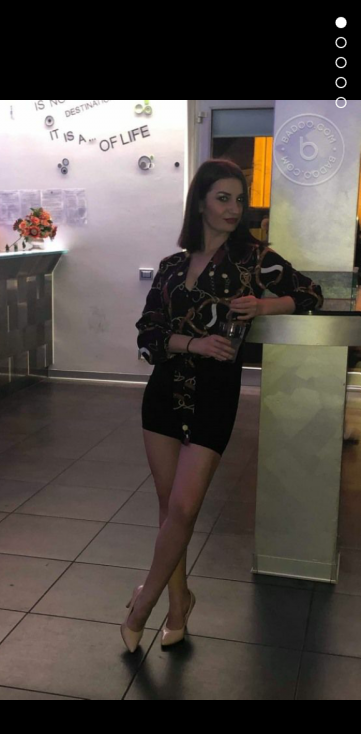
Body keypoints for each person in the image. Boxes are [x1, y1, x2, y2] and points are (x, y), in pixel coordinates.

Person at [122, 158, 324, 653]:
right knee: (169, 510)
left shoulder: (255, 258)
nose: (234, 208)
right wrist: (192, 343)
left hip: (214, 394)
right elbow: (147, 335)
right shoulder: (172, 266)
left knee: (184, 507)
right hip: (164, 394)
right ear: (200, 203)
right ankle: (179, 604)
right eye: (223, 198)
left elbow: (309, 294)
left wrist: (265, 305)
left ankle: (143, 602)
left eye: (239, 199)